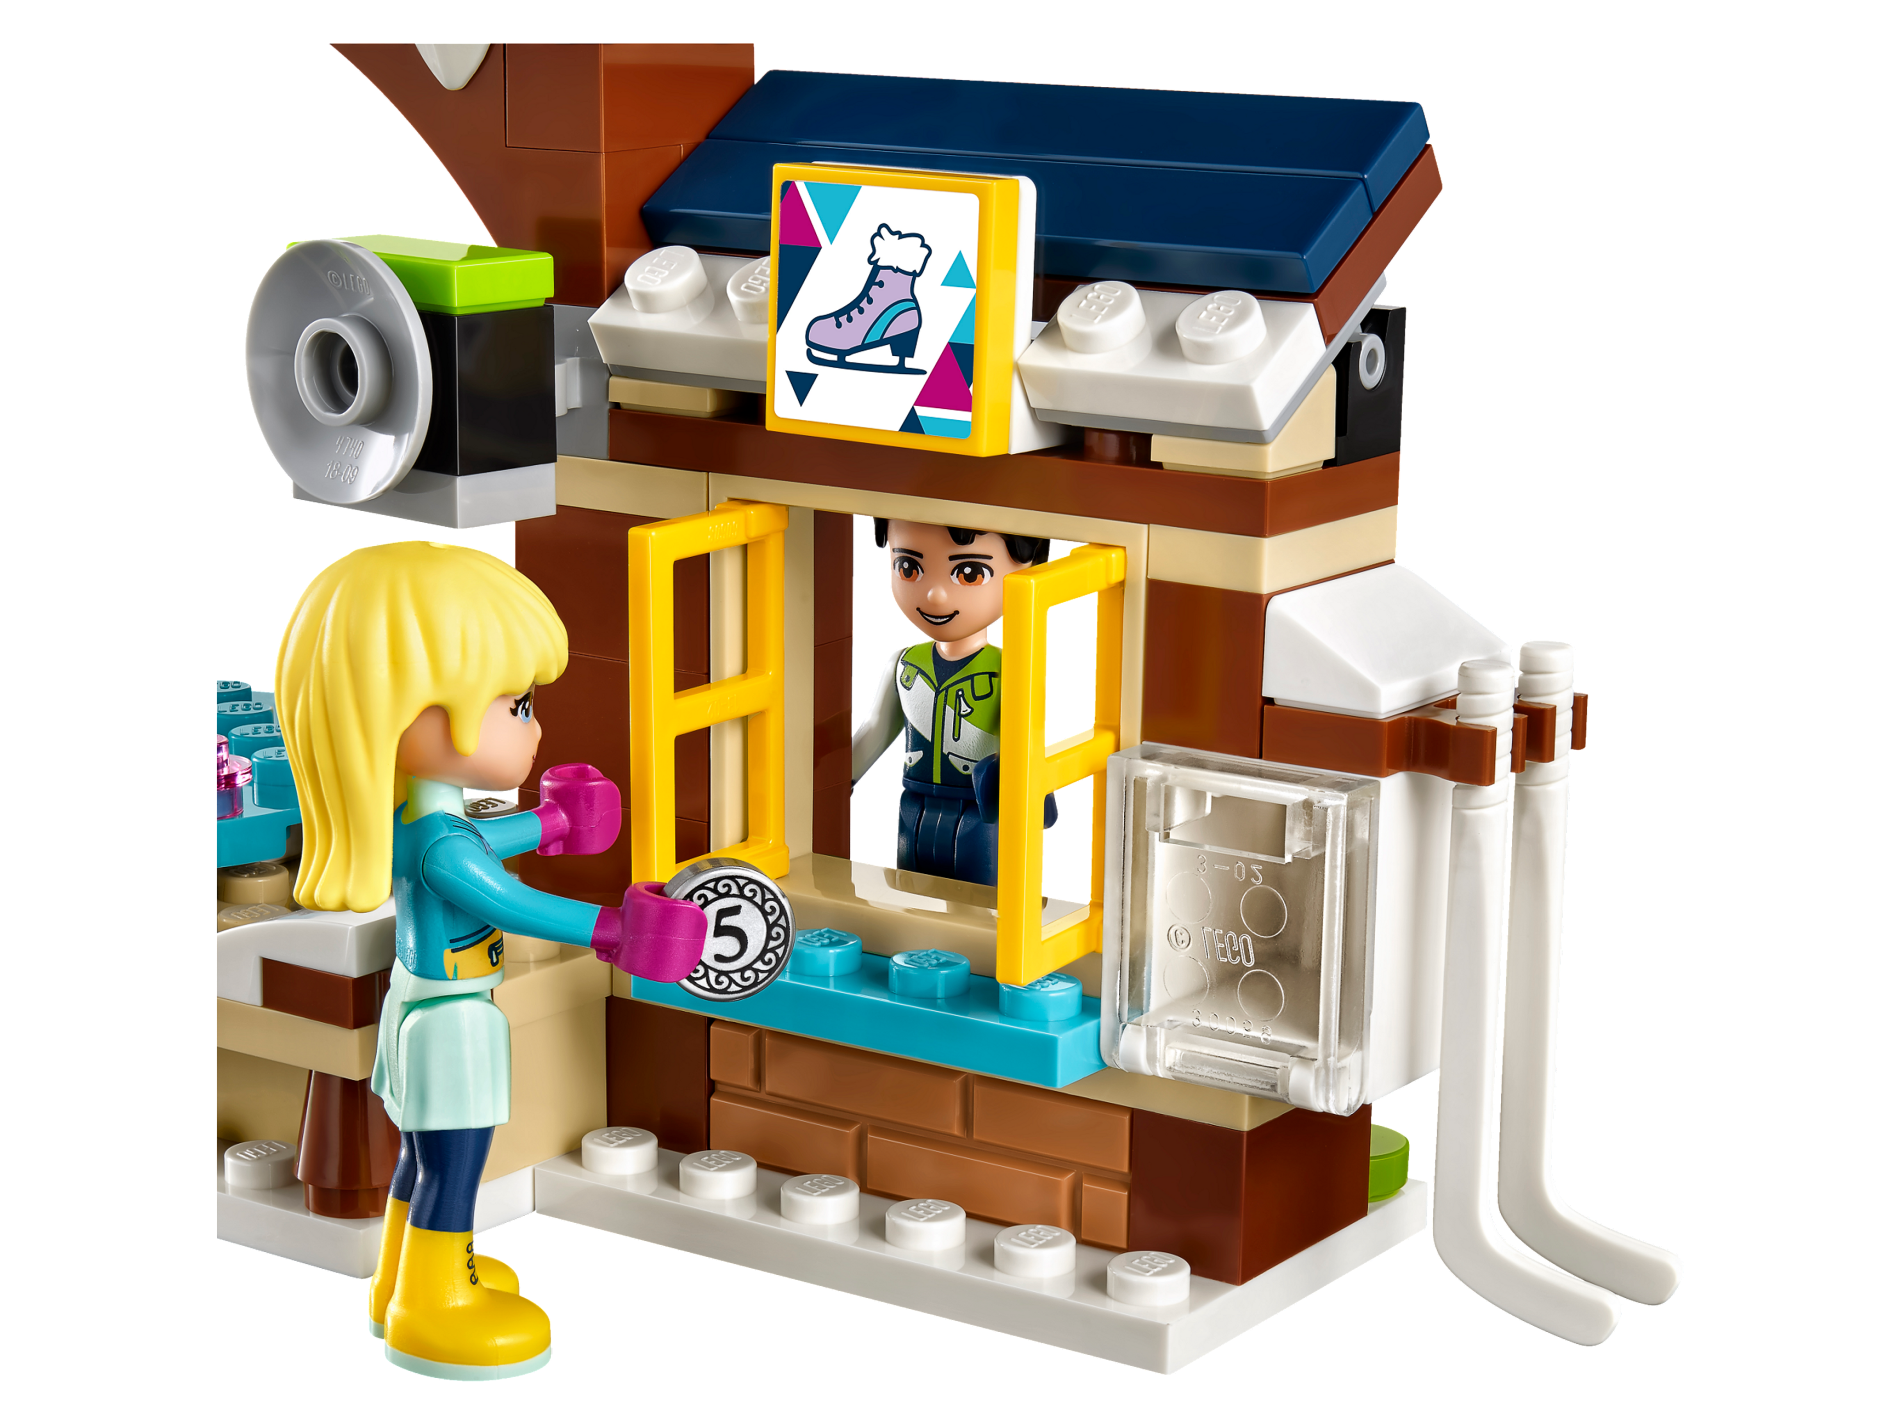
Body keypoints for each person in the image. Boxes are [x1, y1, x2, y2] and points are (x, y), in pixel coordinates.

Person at [276, 542, 703, 1379]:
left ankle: (402, 1282)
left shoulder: (422, 817)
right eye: (515, 706)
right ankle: (437, 1301)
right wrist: (616, 930)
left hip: (422, 1007)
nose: (534, 728)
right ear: (411, 711)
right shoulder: (441, 846)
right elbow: (507, 900)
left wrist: (552, 824)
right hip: (453, 1023)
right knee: (456, 1161)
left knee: (422, 1157)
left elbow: (480, 841)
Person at [850, 519, 1055, 887]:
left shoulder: (1011, 668)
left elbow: (1024, 743)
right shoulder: (905, 664)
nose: (935, 596)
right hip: (914, 805)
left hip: (980, 810)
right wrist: (837, 779)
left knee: (980, 902)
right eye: (908, 567)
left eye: (970, 573)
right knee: (911, 893)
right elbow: (876, 728)